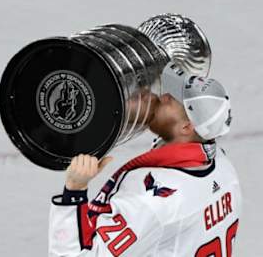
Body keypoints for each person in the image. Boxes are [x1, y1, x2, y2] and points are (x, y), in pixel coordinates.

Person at [48, 62, 242, 256]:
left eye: (172, 99)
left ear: (186, 127)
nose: (163, 96)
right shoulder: (224, 169)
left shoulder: (153, 198)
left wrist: (74, 191)